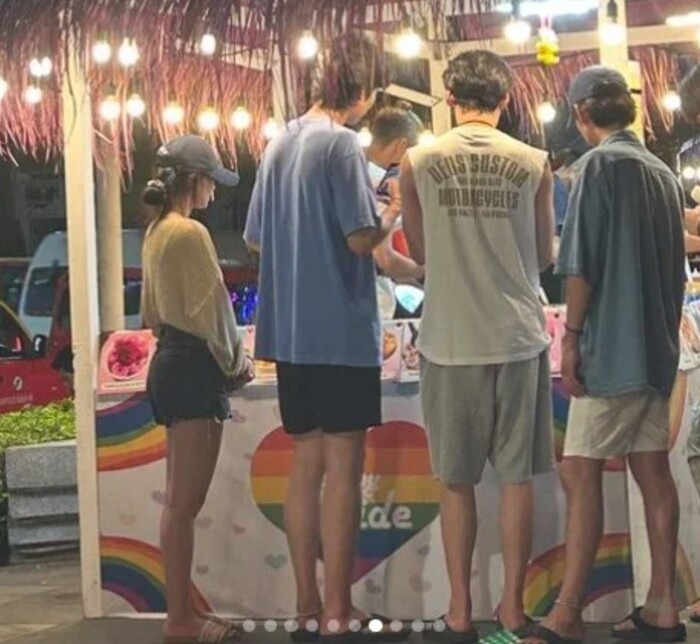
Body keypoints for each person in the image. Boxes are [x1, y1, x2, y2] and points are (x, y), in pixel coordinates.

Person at [244, 35, 408, 643]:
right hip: (339, 329)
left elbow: (255, 238)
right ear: (359, 91)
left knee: (304, 465)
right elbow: (361, 240)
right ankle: (340, 610)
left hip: (289, 332)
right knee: (343, 469)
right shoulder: (340, 144)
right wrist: (391, 211)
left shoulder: (279, 141)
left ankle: (307, 606)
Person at [521, 67, 687, 644]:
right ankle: (663, 606)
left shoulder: (597, 167)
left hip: (611, 352)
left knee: (579, 469)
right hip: (657, 350)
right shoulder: (662, 173)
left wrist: (571, 336)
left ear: (580, 113)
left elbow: (580, 264)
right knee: (653, 472)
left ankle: (567, 612)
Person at [400, 50, 555, 642]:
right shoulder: (534, 162)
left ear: (450, 98)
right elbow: (545, 255)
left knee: (455, 481)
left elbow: (419, 252)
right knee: (517, 478)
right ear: (505, 99)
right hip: (518, 335)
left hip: (450, 337)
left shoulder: (418, 161)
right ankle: (513, 610)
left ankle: (460, 611)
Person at [141, 135, 253, 644]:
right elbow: (215, 311)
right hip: (194, 370)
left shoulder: (156, 231)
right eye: (211, 180)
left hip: (168, 362)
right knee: (184, 505)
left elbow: (151, 313)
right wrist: (236, 363)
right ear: (195, 180)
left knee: (177, 503)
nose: (215, 190)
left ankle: (182, 615)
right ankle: (181, 620)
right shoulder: (190, 233)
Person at [366, 104, 425, 319]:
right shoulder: (381, 185)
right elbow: (384, 258)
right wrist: (423, 272)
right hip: (372, 304)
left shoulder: (351, 174)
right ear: (401, 146)